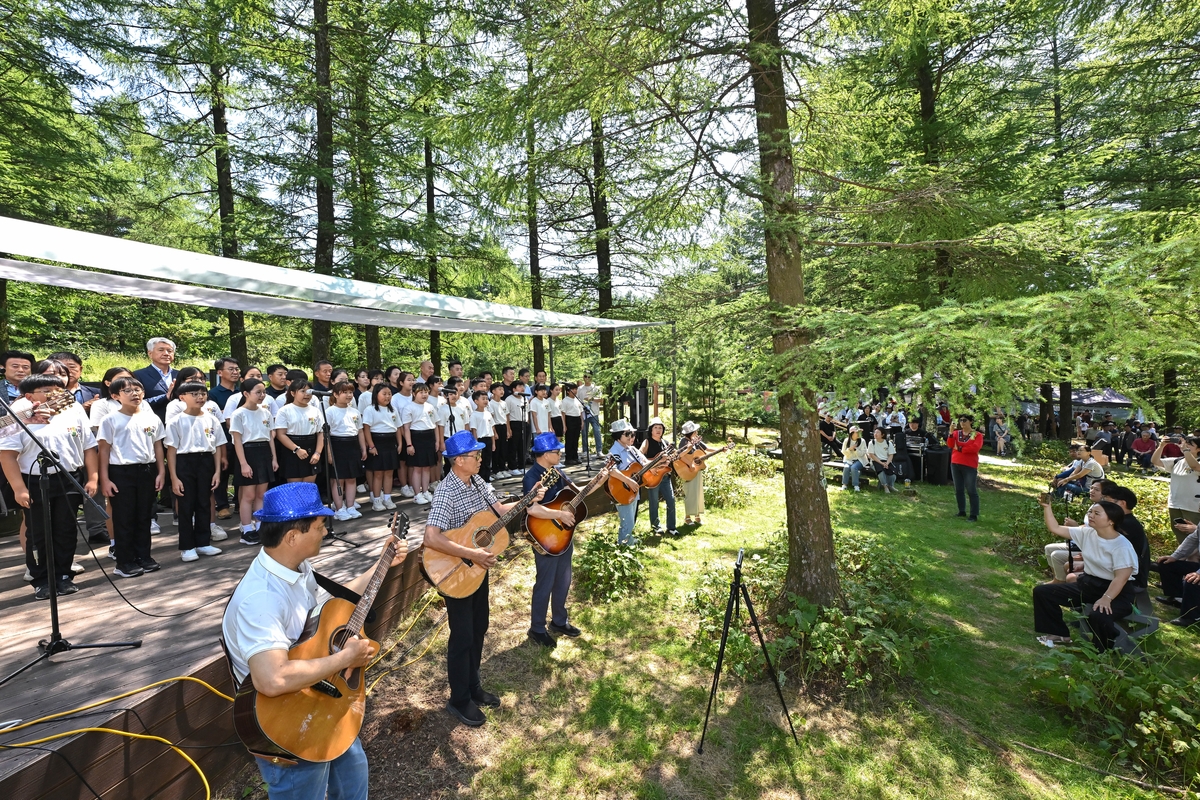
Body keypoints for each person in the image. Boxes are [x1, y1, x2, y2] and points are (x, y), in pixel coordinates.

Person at [222, 482, 407, 798]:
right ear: (293, 536)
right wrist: (344, 659)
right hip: (285, 721)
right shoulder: (261, 598)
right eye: (320, 526)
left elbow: (331, 611)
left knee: (352, 778)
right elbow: (272, 679)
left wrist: (383, 563)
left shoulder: (296, 566)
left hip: (318, 695)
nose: (326, 531)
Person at [422, 430, 555, 726]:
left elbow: (499, 512)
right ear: (458, 461)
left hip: (475, 570)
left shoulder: (478, 482)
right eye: (475, 455)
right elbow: (431, 537)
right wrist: (472, 553)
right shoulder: (447, 491)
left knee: (480, 627)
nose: (481, 459)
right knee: (462, 636)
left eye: (480, 454)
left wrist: (528, 499)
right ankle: (458, 699)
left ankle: (473, 687)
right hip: (453, 571)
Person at [0, 374, 98, 599]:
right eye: (46, 390)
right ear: (28, 396)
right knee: (39, 532)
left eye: (59, 389)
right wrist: (18, 488)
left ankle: (64, 575)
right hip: (34, 480)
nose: (54, 394)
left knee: (66, 528)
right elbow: (7, 456)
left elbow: (88, 446)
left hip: (68, 477)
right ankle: (41, 579)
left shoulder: (73, 411)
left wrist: (91, 478)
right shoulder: (18, 416)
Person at [524, 432, 610, 648]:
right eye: (556, 451)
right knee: (545, 583)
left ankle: (559, 621)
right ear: (544, 455)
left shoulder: (557, 472)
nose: (560, 453)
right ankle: (537, 628)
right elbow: (531, 508)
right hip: (544, 536)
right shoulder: (531, 477)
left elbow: (577, 494)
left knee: (563, 580)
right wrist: (559, 515)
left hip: (564, 535)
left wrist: (599, 481)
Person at [1032, 498, 1137, 650]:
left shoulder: (1121, 546)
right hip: (1089, 584)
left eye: (1097, 513)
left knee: (1099, 615)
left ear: (1111, 521)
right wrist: (1047, 507)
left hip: (1117, 592)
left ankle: (1103, 651)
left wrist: (1106, 599)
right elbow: (1055, 528)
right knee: (1043, 592)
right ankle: (1059, 634)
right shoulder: (1087, 533)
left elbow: (1121, 578)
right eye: (1090, 512)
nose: (1091, 516)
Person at [98, 376, 167, 576]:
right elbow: (103, 450)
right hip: (121, 471)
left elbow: (157, 446)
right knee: (124, 517)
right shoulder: (110, 419)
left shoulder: (151, 417)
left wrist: (161, 471)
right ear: (115, 395)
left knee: (144, 516)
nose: (134, 393)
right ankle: (124, 561)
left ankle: (143, 556)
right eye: (127, 391)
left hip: (146, 470)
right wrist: (105, 479)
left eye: (138, 390)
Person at [167, 380, 227, 563]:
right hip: (185, 462)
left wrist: (217, 472)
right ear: (182, 397)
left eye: (202, 393)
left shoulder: (212, 418)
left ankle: (203, 542)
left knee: (204, 502)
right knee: (186, 505)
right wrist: (174, 477)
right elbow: (171, 451)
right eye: (194, 394)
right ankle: (187, 546)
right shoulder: (176, 421)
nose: (200, 397)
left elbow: (217, 447)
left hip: (206, 462)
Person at [229, 379, 277, 545]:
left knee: (260, 495)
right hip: (248, 453)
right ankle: (246, 528)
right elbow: (237, 440)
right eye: (258, 392)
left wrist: (274, 458)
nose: (262, 395)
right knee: (248, 495)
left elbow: (270, 437)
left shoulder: (266, 413)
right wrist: (243, 463)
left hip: (264, 453)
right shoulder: (238, 414)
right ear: (246, 393)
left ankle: (260, 525)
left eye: (264, 392)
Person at [326, 382, 366, 520]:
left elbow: (360, 431)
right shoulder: (329, 411)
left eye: (350, 392)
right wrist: (329, 453)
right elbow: (326, 435)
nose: (349, 395)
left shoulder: (354, 412)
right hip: (337, 445)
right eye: (345, 392)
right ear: (336, 394)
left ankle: (350, 506)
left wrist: (363, 448)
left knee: (351, 478)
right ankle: (339, 508)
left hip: (352, 445)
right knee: (338, 479)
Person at [273, 379, 324, 484]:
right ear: (293, 393)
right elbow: (280, 434)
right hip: (292, 448)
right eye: (302, 391)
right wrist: (296, 449)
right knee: (295, 487)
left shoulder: (315, 410)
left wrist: (317, 453)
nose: (306, 394)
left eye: (309, 391)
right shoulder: (285, 410)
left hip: (311, 446)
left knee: (309, 487)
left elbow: (321, 433)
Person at [1151, 434, 1200, 545]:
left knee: (1195, 536)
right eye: (1185, 443)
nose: (1185, 445)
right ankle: (1183, 559)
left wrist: (1185, 450)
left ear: (1199, 449)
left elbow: (1195, 467)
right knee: (1180, 534)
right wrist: (1161, 446)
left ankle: (1195, 561)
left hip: (1193, 506)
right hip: (1175, 503)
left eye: (1190, 444)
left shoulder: (1197, 463)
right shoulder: (1177, 461)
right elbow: (1155, 461)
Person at [362, 383, 401, 511]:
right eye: (384, 394)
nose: (387, 396)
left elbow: (398, 428)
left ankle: (388, 498)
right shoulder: (370, 409)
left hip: (390, 442)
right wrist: (371, 446)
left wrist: (400, 443)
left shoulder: (393, 409)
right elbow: (366, 429)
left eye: (389, 394)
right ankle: (377, 499)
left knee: (389, 472)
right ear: (376, 395)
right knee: (378, 473)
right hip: (377, 441)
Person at [608, 419, 646, 545]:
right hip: (622, 490)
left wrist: (660, 461)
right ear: (618, 435)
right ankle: (623, 546)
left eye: (632, 434)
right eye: (628, 434)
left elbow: (645, 463)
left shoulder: (632, 450)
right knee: (627, 521)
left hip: (633, 489)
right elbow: (611, 470)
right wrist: (628, 481)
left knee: (631, 519)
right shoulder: (614, 452)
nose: (631, 437)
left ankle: (629, 541)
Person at [403, 382, 440, 504]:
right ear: (414, 394)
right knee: (417, 468)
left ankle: (425, 491)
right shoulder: (409, 407)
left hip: (429, 437)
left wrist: (437, 441)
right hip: (416, 437)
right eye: (421, 392)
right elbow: (406, 428)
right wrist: (409, 444)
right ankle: (417, 494)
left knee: (427, 467)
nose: (424, 395)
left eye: (426, 392)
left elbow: (435, 425)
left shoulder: (430, 407)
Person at [640, 417, 677, 535]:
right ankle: (656, 526)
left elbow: (670, 459)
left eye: (660, 428)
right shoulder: (647, 442)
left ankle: (671, 527)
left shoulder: (666, 443)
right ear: (651, 430)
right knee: (654, 502)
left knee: (671, 500)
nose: (658, 430)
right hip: (652, 476)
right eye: (655, 427)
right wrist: (654, 462)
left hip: (665, 477)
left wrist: (669, 460)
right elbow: (639, 457)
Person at [132, 337, 178, 420]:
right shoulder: (138, 375)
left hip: (180, 423)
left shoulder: (180, 374)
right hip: (152, 423)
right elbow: (135, 402)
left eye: (170, 351)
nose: (166, 353)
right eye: (161, 350)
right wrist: (166, 397)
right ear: (150, 353)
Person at [948, 415, 983, 521]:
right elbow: (950, 444)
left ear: (971, 421)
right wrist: (950, 432)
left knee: (971, 489)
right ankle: (961, 510)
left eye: (965, 420)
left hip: (969, 464)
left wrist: (960, 448)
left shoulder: (977, 435)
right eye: (960, 420)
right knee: (958, 489)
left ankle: (973, 514)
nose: (962, 422)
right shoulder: (955, 433)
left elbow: (975, 447)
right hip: (955, 462)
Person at [678, 421, 707, 525]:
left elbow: (706, 448)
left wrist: (721, 449)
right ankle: (687, 517)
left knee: (698, 492)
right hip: (687, 471)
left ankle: (697, 515)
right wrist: (689, 464)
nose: (697, 432)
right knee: (690, 493)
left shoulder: (695, 441)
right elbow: (679, 455)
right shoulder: (684, 442)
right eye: (695, 431)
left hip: (697, 469)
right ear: (691, 432)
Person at [469, 390, 496, 484]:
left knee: (487, 461)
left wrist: (493, 443)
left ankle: (487, 481)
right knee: (480, 462)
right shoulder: (474, 415)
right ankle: (480, 482)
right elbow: (474, 430)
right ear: (476, 401)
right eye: (483, 399)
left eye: (486, 399)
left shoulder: (488, 413)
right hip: (480, 440)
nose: (485, 401)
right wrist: (476, 444)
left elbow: (491, 428)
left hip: (488, 439)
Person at [577, 372, 603, 457]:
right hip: (583, 413)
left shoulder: (596, 388)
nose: (587, 378)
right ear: (583, 377)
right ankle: (585, 451)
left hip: (594, 413)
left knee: (597, 431)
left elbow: (601, 400)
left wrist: (592, 398)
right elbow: (577, 400)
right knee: (584, 432)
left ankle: (599, 450)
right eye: (585, 376)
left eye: (589, 376)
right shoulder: (580, 389)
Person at [864, 427, 897, 493]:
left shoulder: (888, 443)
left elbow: (891, 455)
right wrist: (881, 463)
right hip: (875, 461)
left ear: (882, 435)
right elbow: (871, 455)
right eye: (875, 432)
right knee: (881, 471)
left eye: (877, 432)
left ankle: (891, 486)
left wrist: (887, 463)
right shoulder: (872, 443)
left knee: (893, 474)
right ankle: (885, 487)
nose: (875, 434)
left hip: (886, 461)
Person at [504, 380, 527, 475]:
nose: (522, 388)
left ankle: (522, 466)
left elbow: (527, 412)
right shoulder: (509, 399)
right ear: (514, 389)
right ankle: (512, 467)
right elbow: (507, 415)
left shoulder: (524, 398)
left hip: (524, 423)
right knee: (513, 446)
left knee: (523, 446)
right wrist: (508, 428)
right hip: (514, 423)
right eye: (519, 386)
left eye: (523, 386)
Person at [488, 383, 511, 478]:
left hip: (503, 426)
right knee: (496, 450)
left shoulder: (504, 403)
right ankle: (496, 470)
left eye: (502, 389)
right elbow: (491, 418)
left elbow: (507, 417)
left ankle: (502, 468)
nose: (502, 391)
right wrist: (494, 432)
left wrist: (508, 430)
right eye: (499, 389)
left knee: (504, 448)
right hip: (496, 426)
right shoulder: (490, 403)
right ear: (493, 391)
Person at [559, 383, 583, 465]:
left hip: (577, 419)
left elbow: (580, 412)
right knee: (569, 439)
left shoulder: (577, 400)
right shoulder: (565, 400)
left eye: (576, 389)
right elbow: (563, 413)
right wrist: (564, 425)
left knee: (576, 439)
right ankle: (568, 458)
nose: (575, 391)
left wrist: (582, 421)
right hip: (569, 419)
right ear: (568, 391)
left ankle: (575, 456)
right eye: (573, 389)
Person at [840, 426, 867, 491]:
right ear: (852, 433)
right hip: (848, 459)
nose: (859, 434)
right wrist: (849, 449)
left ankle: (856, 485)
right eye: (857, 432)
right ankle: (844, 484)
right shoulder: (846, 440)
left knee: (853, 467)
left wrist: (855, 449)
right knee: (846, 467)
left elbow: (863, 453)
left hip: (859, 460)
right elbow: (843, 452)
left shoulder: (862, 441)